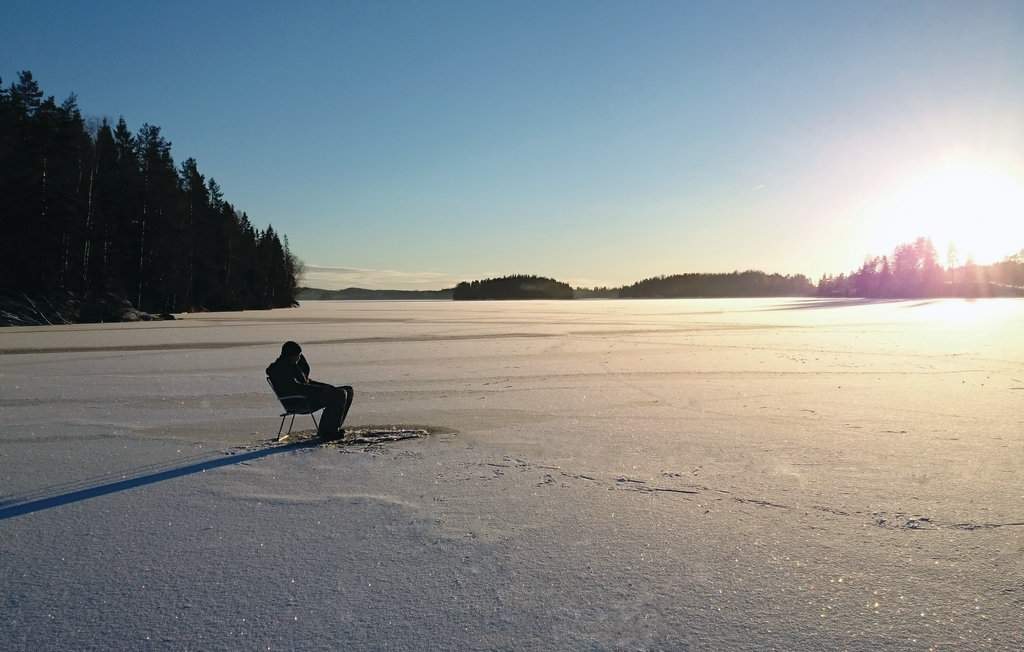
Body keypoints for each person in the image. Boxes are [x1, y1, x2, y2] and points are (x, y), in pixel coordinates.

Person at [266, 341, 354, 441]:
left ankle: (334, 427)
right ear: (290, 355)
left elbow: (307, 382)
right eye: (297, 355)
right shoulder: (281, 369)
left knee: (348, 390)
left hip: (307, 397)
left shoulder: (292, 365)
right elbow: (297, 387)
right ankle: (327, 432)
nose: (299, 358)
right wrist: (322, 390)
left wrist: (326, 387)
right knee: (340, 394)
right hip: (298, 401)